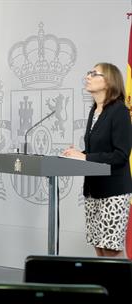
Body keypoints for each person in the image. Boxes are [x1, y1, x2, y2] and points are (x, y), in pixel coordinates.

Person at [62, 62, 132, 257]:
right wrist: (77, 153)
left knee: (110, 251)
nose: (88, 76)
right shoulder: (95, 110)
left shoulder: (119, 111)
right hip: (93, 190)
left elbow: (120, 154)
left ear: (109, 81)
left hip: (113, 192)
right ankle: (105, 288)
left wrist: (85, 157)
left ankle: (119, 288)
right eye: (89, 72)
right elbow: (99, 150)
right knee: (99, 249)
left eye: (94, 73)